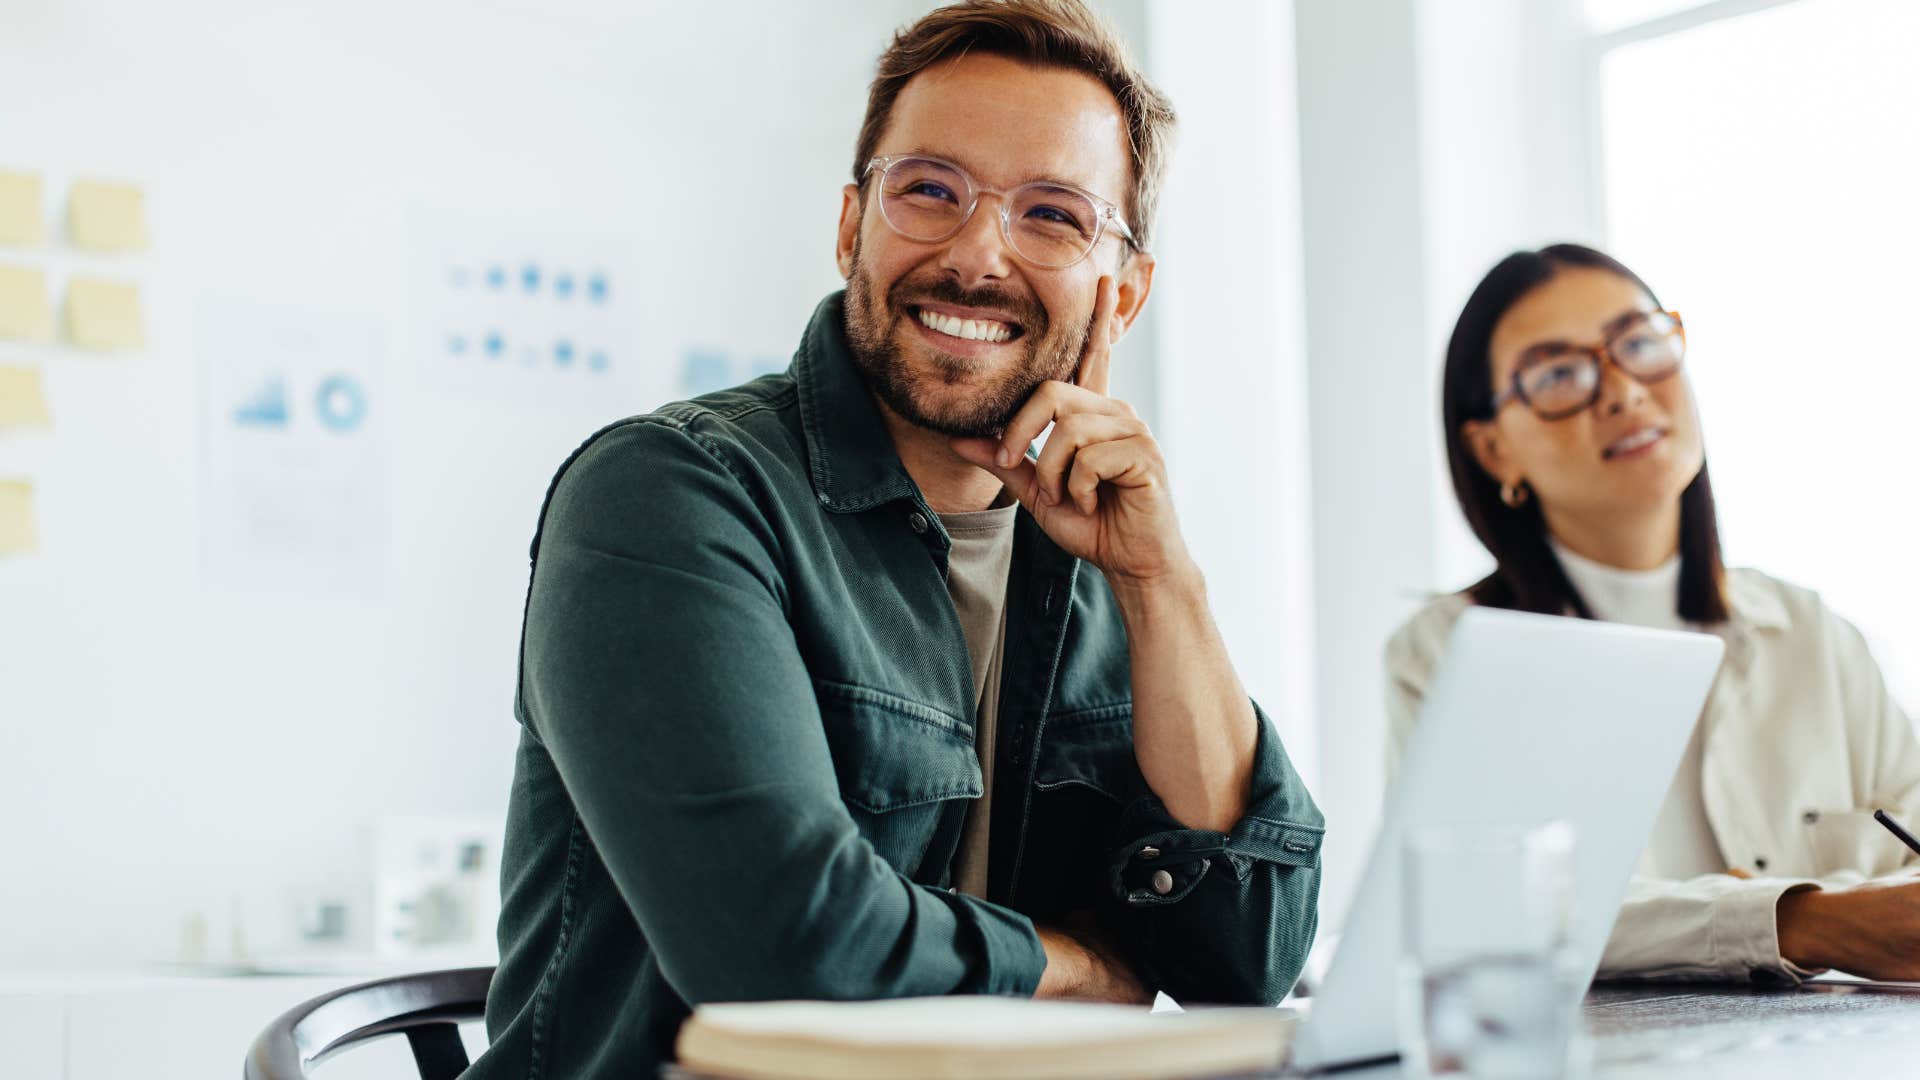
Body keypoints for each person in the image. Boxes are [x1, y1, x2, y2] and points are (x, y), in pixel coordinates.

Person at [465, 2, 1323, 1074]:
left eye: (1052, 214)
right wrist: (1078, 968)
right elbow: (782, 947)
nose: (976, 254)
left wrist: (1162, 584)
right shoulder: (666, 495)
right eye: (930, 191)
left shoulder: (1105, 557)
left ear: (1125, 292)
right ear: (851, 226)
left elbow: (1249, 957)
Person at [1387, 242, 1920, 985]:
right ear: (1491, 448)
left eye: (1638, 343)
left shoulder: (1812, 636)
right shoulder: (1449, 652)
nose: (1622, 390)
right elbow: (1490, 915)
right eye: (1559, 373)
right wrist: (1800, 922)